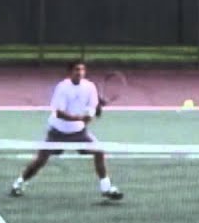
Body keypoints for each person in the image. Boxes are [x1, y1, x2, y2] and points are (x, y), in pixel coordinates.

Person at [10, 61, 123, 200]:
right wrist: (79, 118)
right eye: (77, 70)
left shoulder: (90, 87)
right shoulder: (62, 88)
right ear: (70, 72)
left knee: (99, 152)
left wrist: (93, 113)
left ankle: (106, 188)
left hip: (79, 133)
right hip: (57, 132)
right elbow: (59, 113)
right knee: (41, 160)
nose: (80, 72)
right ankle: (19, 184)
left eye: (82, 70)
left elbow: (92, 110)